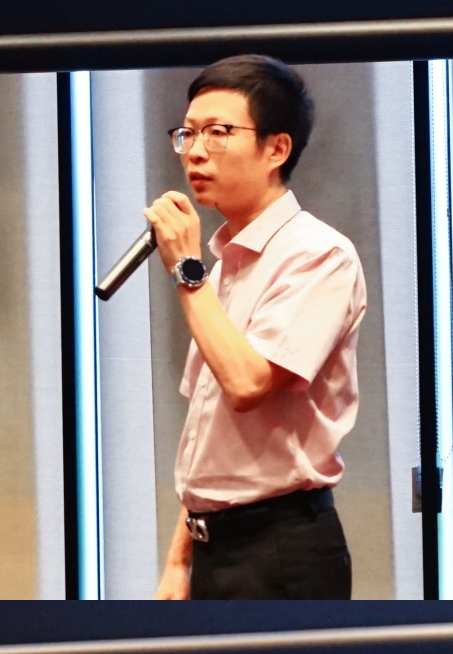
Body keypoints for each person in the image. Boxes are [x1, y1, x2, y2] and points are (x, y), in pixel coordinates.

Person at [149, 55, 366, 600]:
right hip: (213, 546)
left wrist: (186, 269)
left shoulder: (319, 255)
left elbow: (248, 384)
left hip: (280, 547)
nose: (196, 151)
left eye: (218, 133)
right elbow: (208, 434)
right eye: (188, 134)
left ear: (277, 149)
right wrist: (179, 560)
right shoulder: (226, 264)